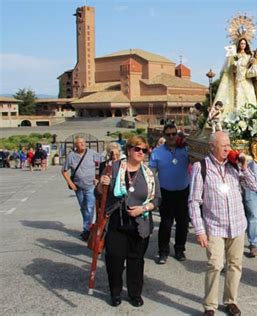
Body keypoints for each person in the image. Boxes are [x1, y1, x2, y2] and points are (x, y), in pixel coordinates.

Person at [188, 131, 257, 316]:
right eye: (224, 145)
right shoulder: (200, 167)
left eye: (229, 145)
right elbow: (194, 201)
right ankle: (210, 306)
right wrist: (199, 230)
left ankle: (230, 301)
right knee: (215, 265)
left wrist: (244, 168)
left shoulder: (235, 166)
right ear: (212, 146)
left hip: (237, 224)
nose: (228, 148)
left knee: (235, 265)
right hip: (214, 226)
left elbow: (254, 187)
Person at [98, 135, 159, 307]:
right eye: (137, 149)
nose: (141, 152)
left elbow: (158, 199)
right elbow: (99, 193)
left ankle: (134, 294)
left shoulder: (150, 173)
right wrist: (102, 184)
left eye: (144, 150)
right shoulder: (114, 168)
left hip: (140, 224)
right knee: (114, 261)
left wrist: (144, 208)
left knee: (136, 261)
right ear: (129, 150)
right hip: (117, 222)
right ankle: (115, 292)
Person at [149, 123, 190, 264]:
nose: (172, 137)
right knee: (166, 223)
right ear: (164, 136)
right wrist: (152, 193)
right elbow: (152, 174)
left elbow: (198, 161)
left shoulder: (186, 149)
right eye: (168, 134)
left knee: (183, 223)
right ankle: (163, 252)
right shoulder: (157, 152)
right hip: (166, 192)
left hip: (183, 191)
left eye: (174, 134)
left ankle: (179, 249)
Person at [213, 37, 257, 116]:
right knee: (239, 97)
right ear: (238, 44)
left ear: (246, 44)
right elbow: (232, 69)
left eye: (244, 43)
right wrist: (234, 65)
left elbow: (256, 64)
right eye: (241, 43)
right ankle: (238, 116)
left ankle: (252, 116)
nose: (243, 45)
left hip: (247, 80)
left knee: (250, 97)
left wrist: (256, 59)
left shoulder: (249, 55)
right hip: (238, 79)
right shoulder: (235, 55)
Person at [62, 136, 101, 241]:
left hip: (90, 186)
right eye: (80, 143)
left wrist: (98, 178)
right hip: (78, 187)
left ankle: (87, 230)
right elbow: (64, 171)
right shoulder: (71, 156)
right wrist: (70, 183)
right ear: (75, 145)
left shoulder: (93, 153)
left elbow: (101, 165)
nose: (82, 144)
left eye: (83, 142)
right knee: (83, 208)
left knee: (89, 208)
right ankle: (87, 228)